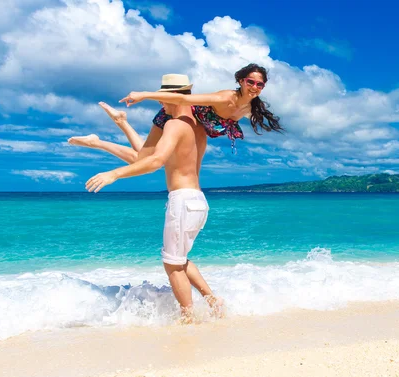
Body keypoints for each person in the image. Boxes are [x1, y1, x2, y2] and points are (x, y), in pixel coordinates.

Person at [84, 74, 223, 323]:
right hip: (197, 201)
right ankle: (214, 302)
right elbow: (146, 157)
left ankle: (188, 318)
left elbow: (154, 162)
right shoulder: (197, 126)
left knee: (172, 265)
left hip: (182, 200)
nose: (161, 104)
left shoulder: (174, 125)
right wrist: (120, 127)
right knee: (180, 260)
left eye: (163, 98)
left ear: (173, 96)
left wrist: (114, 174)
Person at [119, 63, 283, 153]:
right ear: (241, 81)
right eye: (250, 82)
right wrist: (145, 95)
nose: (254, 87)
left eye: (259, 84)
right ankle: (121, 123)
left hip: (194, 129)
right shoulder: (224, 98)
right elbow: (184, 99)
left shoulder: (251, 108)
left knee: (150, 158)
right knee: (143, 154)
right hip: (180, 113)